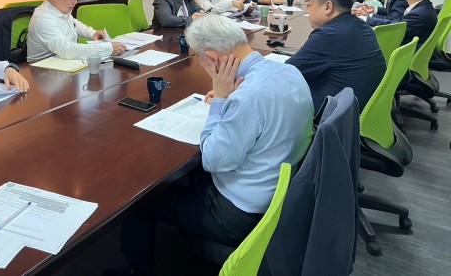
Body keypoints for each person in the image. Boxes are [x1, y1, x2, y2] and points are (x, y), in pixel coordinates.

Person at [109, 15, 314, 276]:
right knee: (182, 178)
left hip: (237, 213)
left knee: (139, 202)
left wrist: (220, 101)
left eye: (199, 58)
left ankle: (137, 271)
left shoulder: (246, 99)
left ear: (213, 58)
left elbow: (213, 160)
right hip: (279, 192)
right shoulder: (288, 71)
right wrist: (226, 98)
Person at [287, 0, 385, 112]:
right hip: (365, 109)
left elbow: (288, 71)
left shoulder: (327, 35)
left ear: (328, 7)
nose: (308, 10)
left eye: (309, 4)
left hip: (336, 115)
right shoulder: (362, 25)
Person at [27, 0, 126, 62]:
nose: (75, 2)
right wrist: (107, 48)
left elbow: (74, 24)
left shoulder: (60, 10)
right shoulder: (43, 19)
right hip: (43, 71)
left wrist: (92, 33)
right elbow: (67, 50)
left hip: (64, 65)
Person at [363, 0, 437, 47]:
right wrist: (373, 11)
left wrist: (365, 19)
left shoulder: (419, 14)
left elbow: (395, 25)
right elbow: (395, 19)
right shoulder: (423, 7)